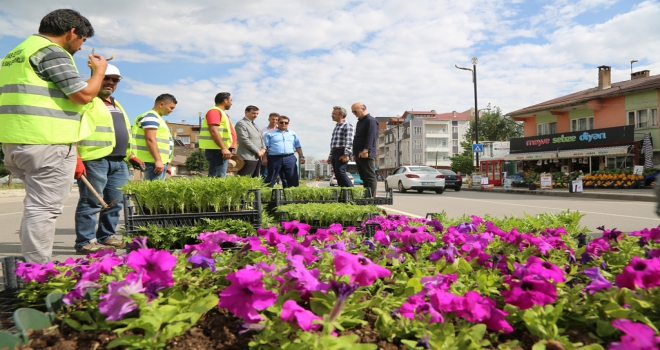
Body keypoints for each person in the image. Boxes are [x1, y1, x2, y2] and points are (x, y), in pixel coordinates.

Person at [0, 9, 108, 263]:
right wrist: (99, 72)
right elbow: (82, 95)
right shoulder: (51, 51)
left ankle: (34, 267)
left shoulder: (16, 53)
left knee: (36, 206)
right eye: (82, 40)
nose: (81, 48)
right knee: (43, 209)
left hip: (16, 141)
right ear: (72, 32)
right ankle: (38, 273)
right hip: (47, 141)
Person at [74, 64, 145, 254]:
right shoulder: (86, 100)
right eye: (106, 78)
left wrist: (131, 155)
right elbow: (72, 129)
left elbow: (121, 133)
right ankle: (85, 241)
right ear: (96, 77)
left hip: (119, 161)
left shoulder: (116, 103)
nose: (111, 83)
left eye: (115, 80)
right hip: (95, 159)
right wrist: (76, 158)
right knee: (91, 202)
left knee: (115, 201)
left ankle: (106, 236)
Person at [131, 94, 177, 180]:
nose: (172, 111)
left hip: (155, 162)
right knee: (152, 192)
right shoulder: (151, 117)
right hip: (152, 162)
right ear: (162, 104)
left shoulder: (156, 118)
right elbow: (150, 139)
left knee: (155, 191)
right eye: (171, 108)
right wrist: (158, 160)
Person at [199, 92, 237, 177]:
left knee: (220, 176)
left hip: (220, 149)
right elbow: (213, 131)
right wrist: (223, 148)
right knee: (217, 177)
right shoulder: (214, 112)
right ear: (225, 100)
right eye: (231, 100)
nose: (232, 103)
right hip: (217, 150)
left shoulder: (222, 113)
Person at [264, 116, 305, 188]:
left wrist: (301, 156)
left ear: (288, 123)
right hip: (274, 158)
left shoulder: (292, 133)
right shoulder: (269, 134)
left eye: (286, 123)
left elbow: (298, 146)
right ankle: (267, 196)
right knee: (270, 178)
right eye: (281, 122)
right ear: (277, 122)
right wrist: (264, 158)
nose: (284, 124)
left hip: (289, 158)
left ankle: (291, 197)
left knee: (292, 178)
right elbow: (265, 147)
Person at [351, 102, 378, 197]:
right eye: (352, 112)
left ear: (363, 109)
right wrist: (355, 154)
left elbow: (371, 136)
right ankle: (367, 197)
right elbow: (358, 138)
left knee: (370, 177)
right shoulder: (360, 122)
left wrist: (366, 150)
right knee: (364, 177)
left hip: (366, 153)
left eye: (355, 111)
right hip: (359, 154)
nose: (354, 113)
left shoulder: (370, 120)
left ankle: (371, 198)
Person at [326, 106, 354, 188]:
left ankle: (352, 192)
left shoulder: (347, 125)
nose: (332, 115)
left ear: (341, 115)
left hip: (342, 152)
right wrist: (330, 156)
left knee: (340, 172)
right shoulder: (336, 127)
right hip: (335, 152)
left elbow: (349, 140)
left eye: (334, 114)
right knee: (337, 174)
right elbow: (333, 143)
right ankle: (344, 195)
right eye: (332, 113)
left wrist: (346, 154)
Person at [235, 105, 266, 177]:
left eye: (257, 113)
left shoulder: (255, 125)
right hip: (247, 157)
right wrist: (257, 151)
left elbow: (261, 138)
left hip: (257, 158)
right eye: (253, 113)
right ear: (246, 112)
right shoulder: (241, 123)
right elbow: (244, 139)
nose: (255, 115)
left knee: (253, 182)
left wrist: (264, 149)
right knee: (244, 180)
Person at [260, 112, 280, 181]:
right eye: (273, 119)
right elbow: (261, 144)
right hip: (266, 155)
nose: (274, 121)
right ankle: (265, 189)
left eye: (276, 120)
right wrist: (264, 157)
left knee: (275, 174)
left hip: (276, 155)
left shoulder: (280, 131)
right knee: (265, 174)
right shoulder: (263, 130)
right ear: (269, 119)